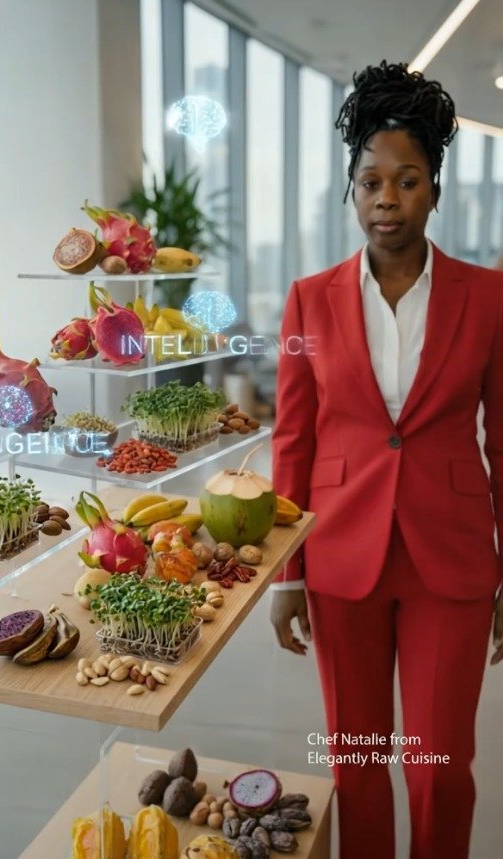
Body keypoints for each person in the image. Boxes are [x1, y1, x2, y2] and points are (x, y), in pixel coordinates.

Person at [270, 61, 502, 859]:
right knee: (358, 762)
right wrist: (285, 575)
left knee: (440, 767)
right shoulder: (307, 300)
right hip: (340, 556)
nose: (386, 200)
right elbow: (292, 438)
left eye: (406, 181)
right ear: (351, 189)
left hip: (453, 558)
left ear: (433, 189)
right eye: (370, 182)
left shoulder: (490, 297)